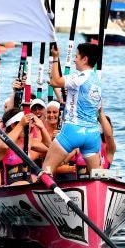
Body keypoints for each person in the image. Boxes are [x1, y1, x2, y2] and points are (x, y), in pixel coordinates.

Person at [43, 42, 104, 176]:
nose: (74, 60)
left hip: (73, 131)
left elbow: (54, 81)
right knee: (97, 175)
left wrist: (55, 57)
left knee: (46, 169)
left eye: (76, 56)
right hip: (93, 134)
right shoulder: (98, 82)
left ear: (85, 59)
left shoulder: (79, 78)